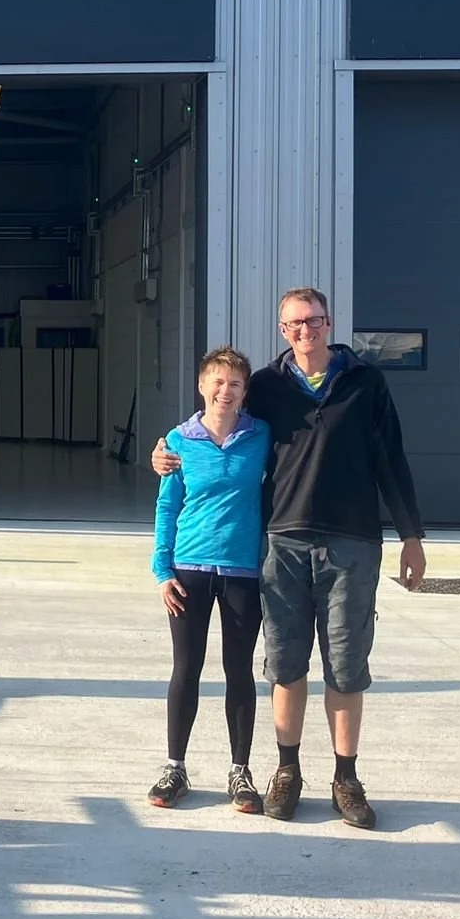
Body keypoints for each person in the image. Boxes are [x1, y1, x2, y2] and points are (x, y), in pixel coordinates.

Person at [153, 287, 425, 829]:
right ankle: (287, 770)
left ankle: (346, 778)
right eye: (295, 323)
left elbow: (390, 456)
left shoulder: (366, 382)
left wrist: (411, 535)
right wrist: (166, 452)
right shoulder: (269, 388)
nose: (306, 331)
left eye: (314, 321)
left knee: (346, 667)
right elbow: (215, 412)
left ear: (328, 323)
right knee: (285, 663)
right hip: (283, 543)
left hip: (352, 542)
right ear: (283, 330)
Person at [149, 345, 271, 813]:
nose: (226, 391)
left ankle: (240, 772)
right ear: (202, 386)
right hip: (189, 571)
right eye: (217, 382)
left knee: (238, 671)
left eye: (235, 384)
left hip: (243, 572)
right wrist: (163, 570)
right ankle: (174, 767)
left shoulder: (261, 436)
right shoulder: (178, 441)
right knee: (186, 669)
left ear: (244, 392)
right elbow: (167, 507)